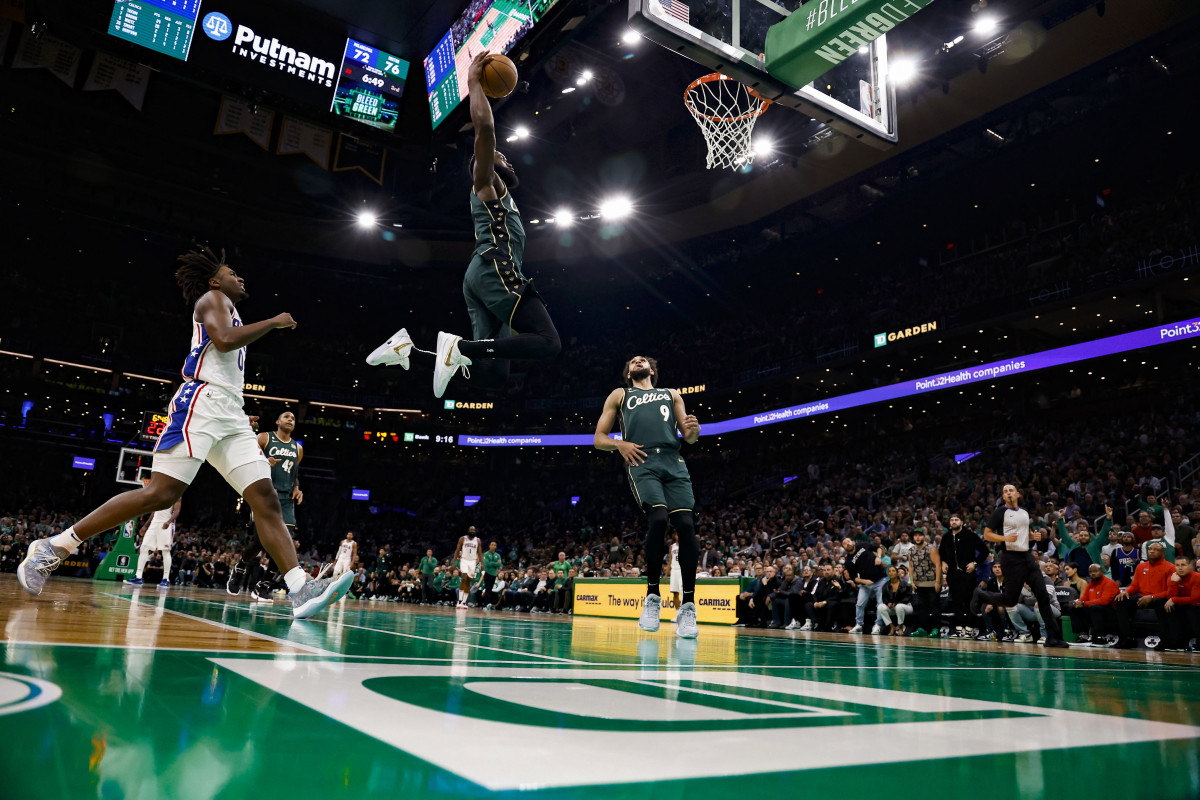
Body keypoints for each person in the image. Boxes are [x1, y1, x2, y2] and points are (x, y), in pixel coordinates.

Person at [16, 246, 351, 618]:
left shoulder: (230, 306)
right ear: (214, 280)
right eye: (231, 272)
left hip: (231, 412)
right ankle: (55, 547)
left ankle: (299, 587)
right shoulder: (212, 298)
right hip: (201, 403)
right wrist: (274, 322)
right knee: (161, 493)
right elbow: (223, 340)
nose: (239, 277)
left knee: (266, 498)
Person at [366, 52, 560, 397]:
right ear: (484, 165)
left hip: (482, 276)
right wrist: (473, 82)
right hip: (494, 268)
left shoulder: (499, 198)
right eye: (499, 155)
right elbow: (485, 129)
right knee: (548, 342)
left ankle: (407, 352)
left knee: (493, 375)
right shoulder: (488, 185)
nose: (505, 158)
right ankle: (458, 349)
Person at [594, 355, 702, 639]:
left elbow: (688, 437)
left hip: (673, 461)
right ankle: (652, 597)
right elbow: (599, 438)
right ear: (628, 372)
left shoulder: (671, 394)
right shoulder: (621, 394)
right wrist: (620, 444)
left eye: (642, 360)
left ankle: (688, 607)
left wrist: (694, 431)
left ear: (652, 370)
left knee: (687, 527)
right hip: (642, 460)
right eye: (632, 361)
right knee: (658, 520)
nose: (637, 361)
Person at [227, 410, 304, 597]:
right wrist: (263, 461)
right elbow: (246, 458)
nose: (290, 420)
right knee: (260, 541)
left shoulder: (298, 449)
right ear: (278, 421)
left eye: (293, 418)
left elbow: (294, 475)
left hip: (286, 500)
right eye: (287, 417)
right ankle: (240, 568)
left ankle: (264, 585)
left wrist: (296, 488)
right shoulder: (264, 438)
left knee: (286, 542)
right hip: (264, 495)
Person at [981, 485, 1068, 648]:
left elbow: (1026, 532)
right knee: (1010, 599)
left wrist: (1032, 536)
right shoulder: (1000, 512)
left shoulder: (1024, 512)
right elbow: (987, 534)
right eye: (1005, 491)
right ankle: (980, 594)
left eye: (1011, 490)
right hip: (1010, 558)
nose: (1008, 493)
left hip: (1027, 556)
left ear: (1018, 494)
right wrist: (1005, 537)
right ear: (1004, 496)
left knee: (1042, 595)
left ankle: (1052, 637)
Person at [1113, 541, 1175, 648]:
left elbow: (1170, 592)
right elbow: (1134, 586)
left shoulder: (1170, 567)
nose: (1152, 551)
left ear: (1163, 553)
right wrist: (1126, 592)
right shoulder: (1141, 567)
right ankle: (1127, 638)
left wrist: (1151, 597)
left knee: (1160, 602)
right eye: (1150, 549)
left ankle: (1166, 640)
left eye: (1156, 550)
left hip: (1159, 598)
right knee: (1121, 600)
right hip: (1142, 597)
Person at [937, 513, 989, 636]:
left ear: (961, 522)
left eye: (956, 520)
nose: (954, 522)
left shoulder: (970, 535)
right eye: (952, 520)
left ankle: (970, 627)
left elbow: (985, 551)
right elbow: (941, 552)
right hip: (952, 574)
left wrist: (975, 563)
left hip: (967, 573)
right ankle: (959, 627)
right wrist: (943, 561)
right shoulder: (946, 537)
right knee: (956, 601)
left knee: (968, 600)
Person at [125, 486, 180, 587]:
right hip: (154, 523)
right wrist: (145, 525)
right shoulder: (159, 492)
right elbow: (154, 512)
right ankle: (138, 576)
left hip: (166, 524)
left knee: (165, 551)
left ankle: (166, 579)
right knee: (144, 547)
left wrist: (168, 522)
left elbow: (177, 511)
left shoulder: (176, 493)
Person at [844, 537, 887, 634]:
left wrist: (878, 557)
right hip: (866, 584)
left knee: (880, 604)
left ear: (852, 542)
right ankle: (859, 625)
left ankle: (878, 625)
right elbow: (853, 578)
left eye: (848, 541)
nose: (848, 544)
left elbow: (878, 547)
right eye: (845, 543)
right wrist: (864, 581)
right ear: (844, 548)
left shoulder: (862, 545)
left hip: (880, 579)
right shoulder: (848, 561)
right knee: (859, 604)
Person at [1068, 563, 1119, 645]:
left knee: (1094, 607)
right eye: (1090, 572)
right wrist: (1077, 603)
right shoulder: (1091, 584)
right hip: (1094, 610)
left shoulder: (1109, 583)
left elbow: (1104, 601)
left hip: (1111, 613)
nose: (1092, 573)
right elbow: (1083, 599)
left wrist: (1084, 603)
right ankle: (1083, 635)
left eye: (1095, 571)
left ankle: (1101, 636)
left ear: (1101, 571)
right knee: (1073, 608)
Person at [907, 528, 943, 636]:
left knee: (934, 606)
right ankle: (923, 628)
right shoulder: (911, 550)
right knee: (922, 607)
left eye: (920, 535)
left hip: (932, 582)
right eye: (915, 535)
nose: (917, 537)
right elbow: (910, 567)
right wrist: (911, 581)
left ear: (924, 537)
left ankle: (936, 629)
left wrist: (937, 581)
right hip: (918, 583)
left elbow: (938, 565)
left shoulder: (931, 549)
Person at [1162, 556, 1200, 651]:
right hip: (1184, 604)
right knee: (1166, 606)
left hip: (1195, 605)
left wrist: (1175, 599)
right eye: (1177, 565)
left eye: (1183, 565)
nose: (1180, 568)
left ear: (1190, 566)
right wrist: (1173, 583)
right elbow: (1170, 597)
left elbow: (1195, 600)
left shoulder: (1197, 577)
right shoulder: (1173, 577)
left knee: (1192, 608)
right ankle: (1174, 642)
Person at [451, 526, 482, 609]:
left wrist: (482, 564)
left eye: (473, 530)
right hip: (464, 560)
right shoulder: (463, 538)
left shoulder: (478, 540)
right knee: (464, 578)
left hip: (473, 562)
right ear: (468, 531)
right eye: (471, 530)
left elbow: (479, 553)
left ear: (475, 531)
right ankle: (459, 601)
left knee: (468, 581)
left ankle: (464, 602)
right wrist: (453, 562)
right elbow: (457, 550)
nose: (472, 531)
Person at [877, 565, 914, 635]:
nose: (891, 573)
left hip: (906, 606)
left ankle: (900, 628)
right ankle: (892, 627)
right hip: (893, 608)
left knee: (899, 606)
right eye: (889, 571)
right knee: (880, 607)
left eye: (893, 571)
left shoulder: (905, 584)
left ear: (897, 573)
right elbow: (884, 598)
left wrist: (896, 603)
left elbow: (908, 598)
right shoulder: (886, 585)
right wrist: (888, 603)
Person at [482, 541, 503, 608]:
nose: (493, 546)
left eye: (494, 545)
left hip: (494, 574)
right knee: (487, 589)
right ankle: (486, 604)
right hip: (487, 573)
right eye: (492, 545)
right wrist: (495, 563)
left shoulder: (498, 555)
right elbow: (487, 563)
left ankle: (487, 604)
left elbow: (499, 564)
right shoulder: (486, 554)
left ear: (496, 547)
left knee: (490, 589)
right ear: (489, 546)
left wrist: (492, 563)